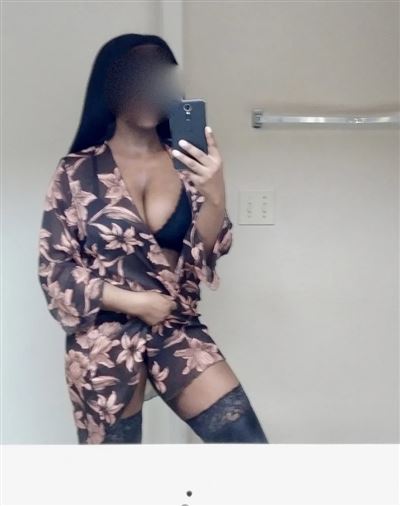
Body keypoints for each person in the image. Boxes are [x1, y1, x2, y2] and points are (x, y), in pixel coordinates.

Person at [37, 33, 269, 444]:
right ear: (110, 87)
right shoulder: (76, 172)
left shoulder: (187, 164)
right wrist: (135, 302)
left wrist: (216, 193)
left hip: (175, 327)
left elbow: (205, 253)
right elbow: (55, 271)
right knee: (116, 471)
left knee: (247, 445)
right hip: (102, 338)